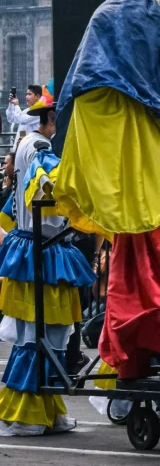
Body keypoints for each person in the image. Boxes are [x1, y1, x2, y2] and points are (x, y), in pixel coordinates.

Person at [0, 99, 94, 436]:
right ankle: (26, 417)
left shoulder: (26, 144)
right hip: (43, 252)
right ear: (51, 118)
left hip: (36, 250)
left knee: (43, 337)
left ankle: (47, 412)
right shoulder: (40, 147)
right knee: (42, 337)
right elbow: (57, 185)